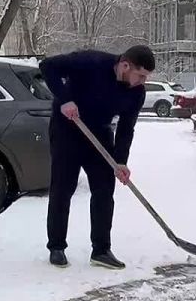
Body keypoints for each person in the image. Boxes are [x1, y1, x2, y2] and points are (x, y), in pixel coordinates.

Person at [39, 45, 155, 270]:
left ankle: (101, 250)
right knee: (62, 189)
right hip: (68, 129)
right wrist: (64, 100)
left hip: (100, 135)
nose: (142, 81)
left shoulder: (137, 93)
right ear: (124, 65)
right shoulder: (91, 61)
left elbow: (126, 128)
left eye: (146, 77)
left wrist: (120, 161)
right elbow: (47, 67)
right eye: (140, 75)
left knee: (104, 191)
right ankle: (56, 246)